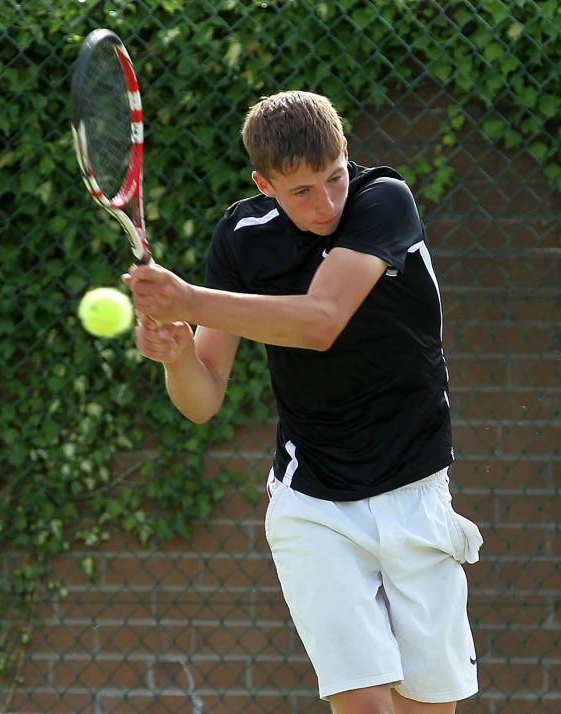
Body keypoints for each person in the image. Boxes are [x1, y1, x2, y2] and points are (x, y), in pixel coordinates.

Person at [123, 90, 483, 714]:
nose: (327, 204)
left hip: (416, 489)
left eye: (334, 177)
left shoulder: (384, 202)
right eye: (301, 192)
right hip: (313, 502)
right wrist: (177, 353)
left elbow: (322, 320)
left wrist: (190, 302)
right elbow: (202, 399)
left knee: (428, 708)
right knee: (366, 707)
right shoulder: (242, 237)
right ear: (264, 184)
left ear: (347, 155)